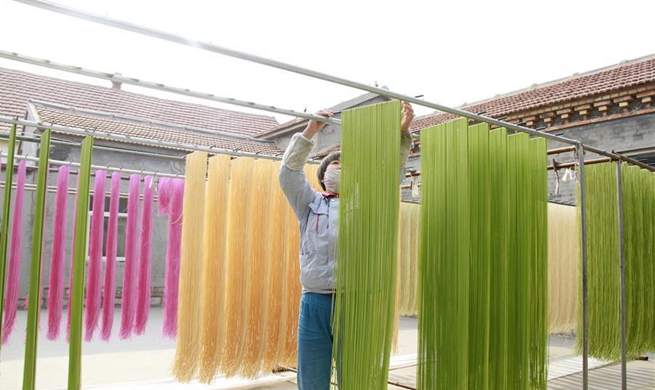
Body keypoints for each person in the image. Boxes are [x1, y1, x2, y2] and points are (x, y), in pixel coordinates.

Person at [278, 101, 415, 390]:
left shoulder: (366, 203)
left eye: (344, 167)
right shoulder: (309, 203)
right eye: (335, 165)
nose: (339, 169)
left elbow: (391, 172)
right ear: (324, 175)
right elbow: (288, 174)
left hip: (357, 300)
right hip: (315, 300)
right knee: (312, 375)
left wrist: (402, 132)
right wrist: (311, 130)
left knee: (357, 375)